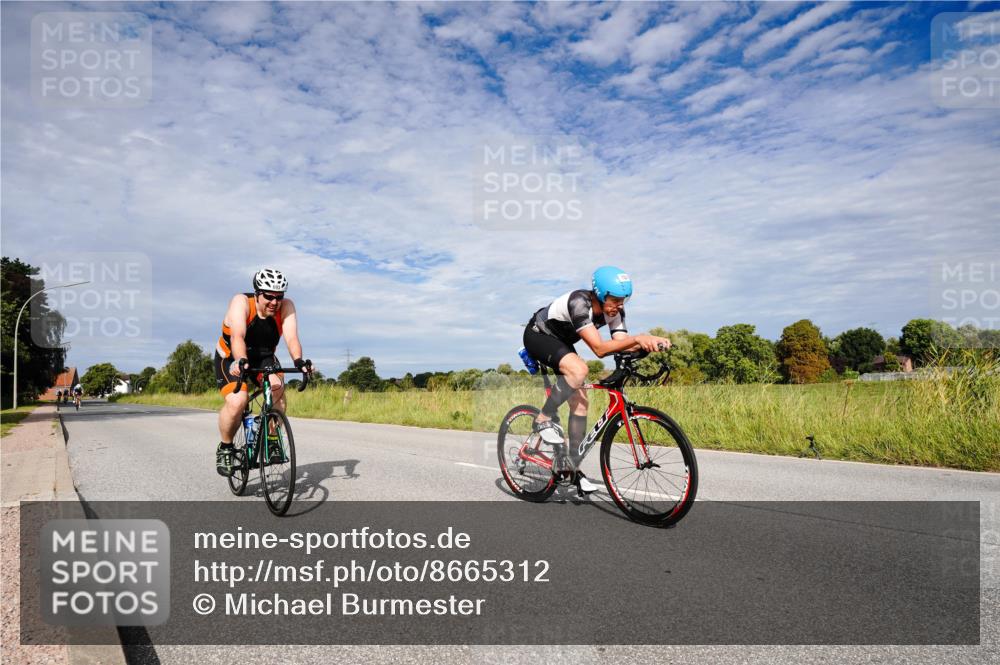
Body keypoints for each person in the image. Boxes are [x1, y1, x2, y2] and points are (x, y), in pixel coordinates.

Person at [522, 266, 671, 493]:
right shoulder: (579, 303)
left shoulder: (616, 312)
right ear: (600, 295)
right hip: (539, 334)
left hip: (562, 342)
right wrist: (639, 338)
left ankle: (570, 467)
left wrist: (647, 346)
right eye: (615, 300)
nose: (619, 305)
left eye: (624, 300)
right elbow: (601, 349)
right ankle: (542, 419)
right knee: (579, 370)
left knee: (581, 402)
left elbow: (621, 345)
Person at [213, 268, 313, 477]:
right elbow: (238, 336)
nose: (274, 302)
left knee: (277, 389)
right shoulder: (241, 302)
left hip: (264, 356)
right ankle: (226, 447)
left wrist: (299, 361)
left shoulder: (286, 307)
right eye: (268, 296)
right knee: (238, 402)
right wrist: (241, 360)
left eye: (278, 297)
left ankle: (273, 437)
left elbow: (292, 338)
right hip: (232, 356)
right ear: (257, 293)